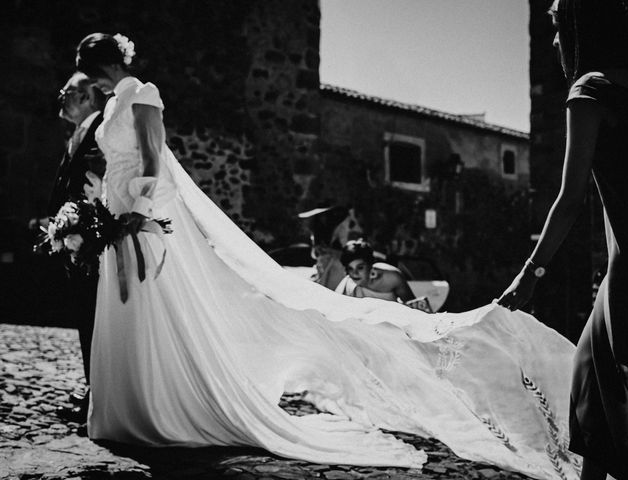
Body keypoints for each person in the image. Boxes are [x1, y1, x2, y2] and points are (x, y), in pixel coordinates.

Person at [77, 32, 579, 479]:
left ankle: (158, 406)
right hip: (116, 211)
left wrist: (137, 211)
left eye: (92, 68)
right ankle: (125, 406)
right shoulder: (108, 106)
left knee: (150, 304)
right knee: (125, 308)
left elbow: (150, 157)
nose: (92, 79)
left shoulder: (142, 95)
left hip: (139, 215)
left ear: (106, 63)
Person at [497, 1, 628, 478]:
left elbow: (570, 198)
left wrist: (530, 272)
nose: (554, 40)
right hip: (618, 267)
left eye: (558, 26)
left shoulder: (590, 89)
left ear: (580, 28)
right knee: (591, 383)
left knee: (627, 400)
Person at [48, 72, 106, 423]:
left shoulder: (98, 129)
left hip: (90, 245)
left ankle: (97, 394)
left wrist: (79, 227)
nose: (61, 97)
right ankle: (91, 388)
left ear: (86, 96)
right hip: (75, 241)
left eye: (67, 91)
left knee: (93, 320)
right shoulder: (80, 131)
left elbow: (97, 185)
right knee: (85, 320)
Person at [335, 238, 415, 303]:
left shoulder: (392, 277)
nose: (354, 273)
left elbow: (414, 307)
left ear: (370, 265)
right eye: (350, 268)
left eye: (360, 268)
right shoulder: (347, 285)